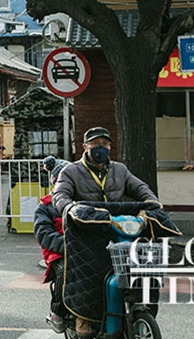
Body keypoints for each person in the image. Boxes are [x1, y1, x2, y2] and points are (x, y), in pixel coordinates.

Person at [52, 127, 159, 337]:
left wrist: (152, 202)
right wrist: (69, 208)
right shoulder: (71, 171)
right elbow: (60, 195)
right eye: (95, 144)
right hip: (87, 232)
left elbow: (140, 188)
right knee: (85, 272)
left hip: (117, 228)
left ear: (110, 146)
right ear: (85, 147)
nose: (101, 148)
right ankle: (83, 316)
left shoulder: (120, 170)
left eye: (105, 144)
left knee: (140, 267)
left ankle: (137, 309)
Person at [35, 156, 71, 332]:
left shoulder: (79, 203)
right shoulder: (45, 207)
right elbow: (43, 234)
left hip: (83, 248)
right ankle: (57, 311)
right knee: (65, 271)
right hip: (58, 253)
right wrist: (66, 245)